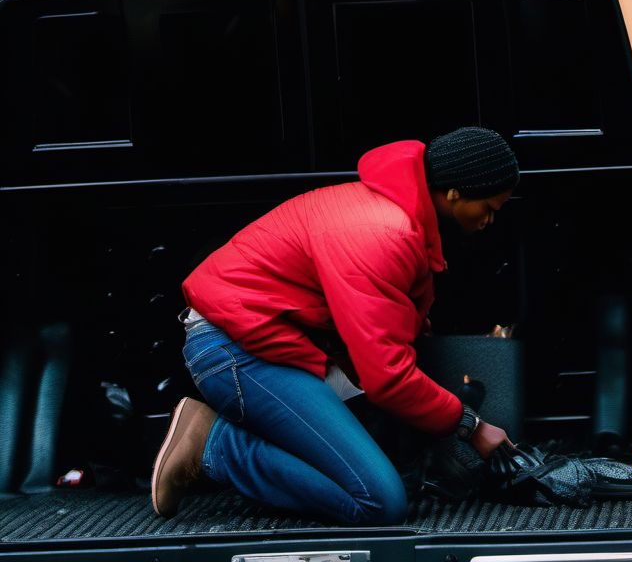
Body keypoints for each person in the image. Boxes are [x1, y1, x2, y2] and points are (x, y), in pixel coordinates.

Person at [150, 127, 519, 524]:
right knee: (380, 501)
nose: (491, 220)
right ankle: (215, 446)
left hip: (273, 344)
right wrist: (471, 425)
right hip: (235, 350)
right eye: (489, 207)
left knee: (379, 466)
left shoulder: (394, 216)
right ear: (454, 194)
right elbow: (388, 379)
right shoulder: (384, 232)